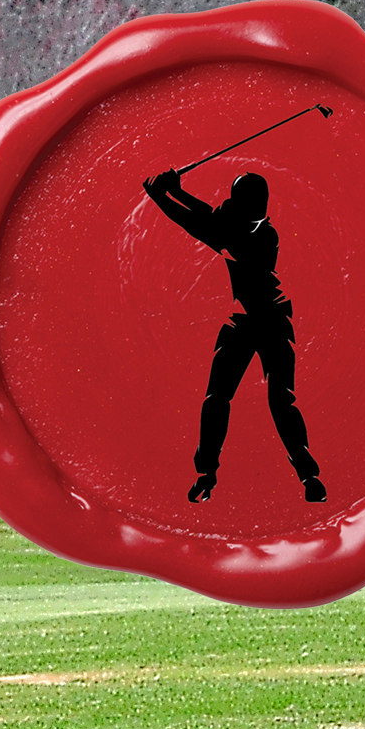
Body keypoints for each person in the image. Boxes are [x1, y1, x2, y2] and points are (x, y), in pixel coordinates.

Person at [141, 167, 327, 505]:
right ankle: (205, 475)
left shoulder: (260, 235)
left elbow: (200, 224)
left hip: (270, 319)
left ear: (249, 205)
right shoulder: (241, 225)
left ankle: (309, 476)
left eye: (236, 199)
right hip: (244, 319)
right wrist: (177, 192)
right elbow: (210, 216)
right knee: (217, 398)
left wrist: (160, 197)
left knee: (279, 400)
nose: (227, 203)